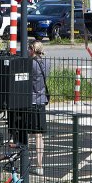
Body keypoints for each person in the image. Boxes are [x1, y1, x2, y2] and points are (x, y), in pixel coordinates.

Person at [28, 40, 49, 172]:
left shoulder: (32, 64)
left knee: (29, 133)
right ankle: (40, 164)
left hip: (31, 100)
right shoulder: (47, 62)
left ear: (33, 50)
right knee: (39, 135)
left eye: (29, 49)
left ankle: (31, 162)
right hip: (42, 100)